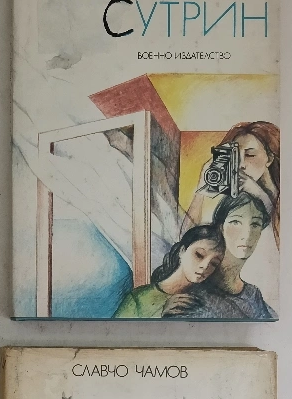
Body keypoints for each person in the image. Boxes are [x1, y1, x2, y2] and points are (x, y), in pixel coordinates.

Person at [183, 121, 280, 246]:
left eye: (250, 155)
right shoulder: (230, 196)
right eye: (235, 156)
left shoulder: (284, 198)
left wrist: (260, 194)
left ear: (270, 158)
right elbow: (186, 243)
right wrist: (201, 191)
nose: (240, 164)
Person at [185, 192, 277, 320]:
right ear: (221, 227)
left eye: (255, 224)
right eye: (235, 222)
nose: (247, 234)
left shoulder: (253, 294)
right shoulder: (194, 294)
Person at [113, 225, 225, 318]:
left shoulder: (210, 300)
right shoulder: (138, 298)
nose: (205, 266)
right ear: (182, 251)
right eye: (199, 255)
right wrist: (161, 315)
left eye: (214, 263)